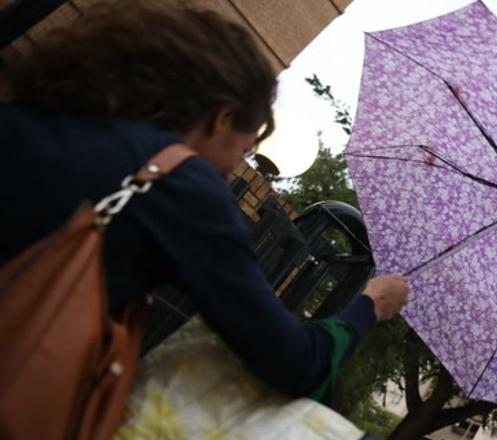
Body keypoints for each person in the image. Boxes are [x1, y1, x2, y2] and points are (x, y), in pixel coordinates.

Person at [0, 1, 409, 399]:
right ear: (223, 118)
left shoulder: (27, 119)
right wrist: (370, 304)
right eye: (245, 150)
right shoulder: (182, 187)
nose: (234, 171)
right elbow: (295, 362)